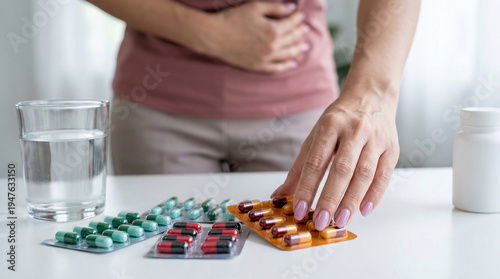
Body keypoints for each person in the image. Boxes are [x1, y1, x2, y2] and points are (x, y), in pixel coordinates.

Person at [88, 0, 420, 230]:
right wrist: (210, 32)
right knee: (162, 257)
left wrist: (373, 92)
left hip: (300, 112)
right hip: (157, 106)